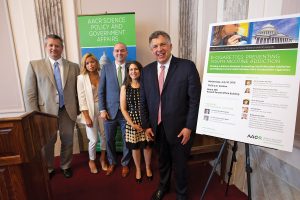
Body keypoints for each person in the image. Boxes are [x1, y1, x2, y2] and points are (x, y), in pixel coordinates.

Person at [140, 31, 201, 200]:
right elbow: (143, 101)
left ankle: (182, 193)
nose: (159, 49)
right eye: (155, 46)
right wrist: (146, 126)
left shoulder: (187, 66)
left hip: (181, 129)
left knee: (180, 165)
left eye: (162, 44)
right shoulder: (146, 71)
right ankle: (163, 186)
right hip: (156, 128)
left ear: (170, 46)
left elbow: (195, 100)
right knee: (162, 161)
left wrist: (189, 127)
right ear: (152, 49)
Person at [24, 34, 80, 179]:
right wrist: (35, 115)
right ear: (45, 47)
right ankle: (48, 168)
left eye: (57, 46)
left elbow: (78, 91)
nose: (53, 48)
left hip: (68, 110)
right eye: (51, 45)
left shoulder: (73, 66)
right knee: (48, 142)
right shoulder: (34, 65)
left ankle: (65, 165)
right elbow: (30, 93)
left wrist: (80, 109)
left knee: (68, 139)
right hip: (45, 113)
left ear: (62, 48)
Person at [98, 42, 131, 177]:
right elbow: (101, 91)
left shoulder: (131, 67)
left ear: (126, 52)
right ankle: (112, 162)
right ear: (113, 53)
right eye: (117, 51)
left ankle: (125, 164)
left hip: (127, 112)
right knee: (109, 139)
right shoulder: (106, 68)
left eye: (122, 51)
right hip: (109, 112)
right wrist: (102, 109)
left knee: (126, 139)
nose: (119, 53)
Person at [120, 61, 153, 184]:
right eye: (131, 70)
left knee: (147, 146)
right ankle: (138, 169)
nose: (133, 72)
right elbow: (123, 108)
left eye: (136, 69)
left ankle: (148, 167)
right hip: (132, 121)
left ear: (140, 70)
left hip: (146, 120)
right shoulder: (125, 87)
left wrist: (148, 122)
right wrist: (132, 123)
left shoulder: (146, 84)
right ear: (128, 72)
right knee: (136, 147)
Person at [77, 53, 108, 174]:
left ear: (96, 62)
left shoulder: (102, 74)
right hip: (89, 110)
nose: (90, 65)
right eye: (87, 63)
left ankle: (103, 158)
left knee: (104, 135)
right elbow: (81, 98)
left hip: (103, 108)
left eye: (92, 62)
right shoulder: (81, 78)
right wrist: (86, 116)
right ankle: (91, 160)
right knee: (94, 139)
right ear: (85, 65)